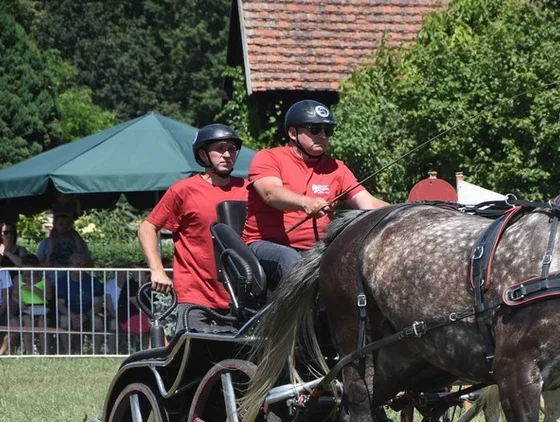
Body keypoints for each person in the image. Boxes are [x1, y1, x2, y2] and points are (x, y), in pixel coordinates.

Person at [243, 100, 386, 285]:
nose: (323, 136)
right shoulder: (269, 157)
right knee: (292, 261)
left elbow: (368, 204)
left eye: (328, 131)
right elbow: (270, 193)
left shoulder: (336, 168)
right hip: (266, 245)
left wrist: (410, 209)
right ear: (293, 133)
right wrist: (306, 202)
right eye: (315, 129)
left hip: (316, 250)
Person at [137, 123, 248, 332]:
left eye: (232, 149)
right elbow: (147, 228)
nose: (227, 155)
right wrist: (157, 270)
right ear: (204, 155)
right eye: (220, 148)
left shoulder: (248, 189)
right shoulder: (184, 190)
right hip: (196, 296)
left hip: (240, 296)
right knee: (195, 360)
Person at [58, 253, 105, 354]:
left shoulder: (94, 281)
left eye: (83, 265)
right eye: (76, 264)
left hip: (88, 313)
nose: (79, 267)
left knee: (98, 321)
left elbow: (97, 304)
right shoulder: (62, 281)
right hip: (69, 313)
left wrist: (86, 315)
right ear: (70, 265)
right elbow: (60, 304)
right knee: (63, 320)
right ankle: (68, 353)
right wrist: (72, 315)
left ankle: (95, 353)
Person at [37, 197, 92, 268]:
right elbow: (38, 264)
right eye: (61, 224)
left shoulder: (80, 242)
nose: (64, 227)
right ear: (55, 225)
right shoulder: (46, 243)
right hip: (53, 278)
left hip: (74, 278)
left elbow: (90, 263)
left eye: (68, 224)